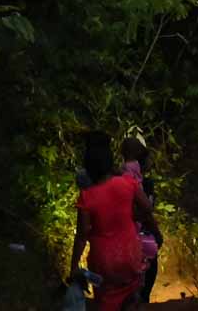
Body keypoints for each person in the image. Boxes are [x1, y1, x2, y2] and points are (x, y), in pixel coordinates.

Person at [69, 131, 156, 311]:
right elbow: (147, 208)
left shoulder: (86, 197)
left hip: (104, 261)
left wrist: (73, 267)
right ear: (110, 163)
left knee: (107, 300)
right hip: (130, 253)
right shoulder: (127, 182)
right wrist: (130, 217)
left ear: (89, 169)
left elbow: (82, 235)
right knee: (132, 298)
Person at [121, 137, 164, 304]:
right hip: (137, 232)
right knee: (148, 267)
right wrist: (156, 232)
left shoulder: (120, 174)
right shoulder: (139, 181)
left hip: (123, 233)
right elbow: (145, 210)